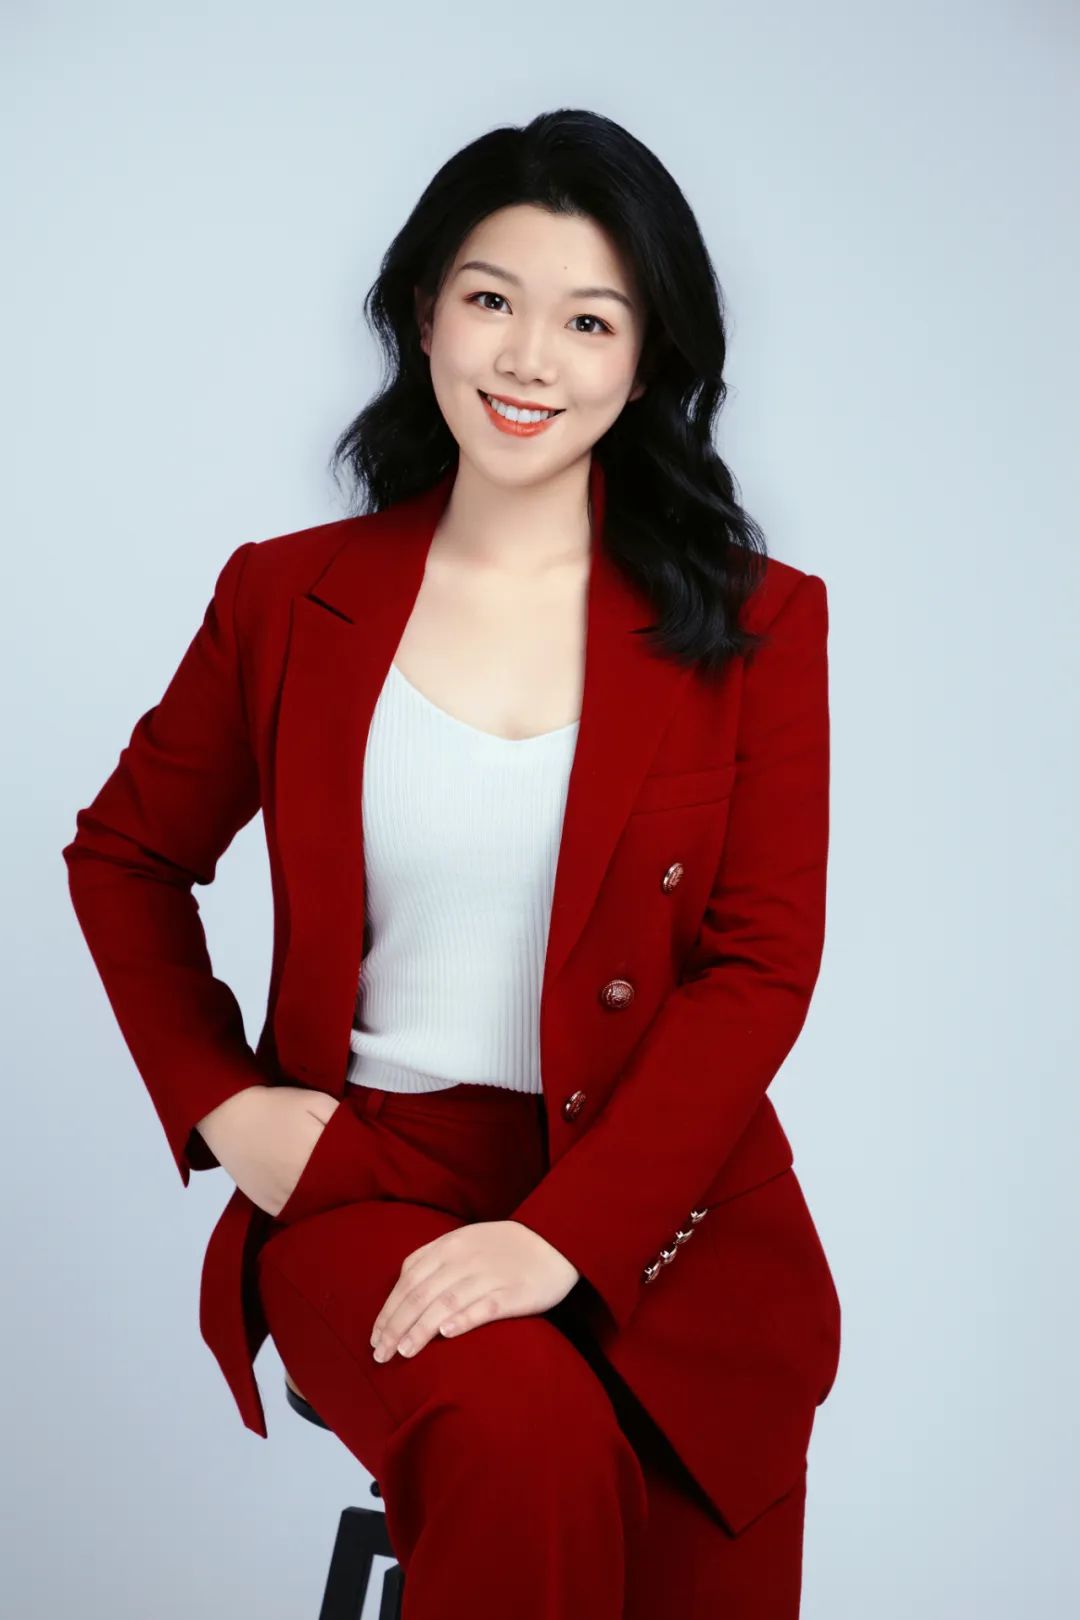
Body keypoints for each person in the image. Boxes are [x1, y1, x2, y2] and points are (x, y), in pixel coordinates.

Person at [62, 107, 839, 1619]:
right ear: (425, 313)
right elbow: (127, 854)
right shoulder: (289, 599)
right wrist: (222, 1103)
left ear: (646, 360)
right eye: (491, 299)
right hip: (375, 1178)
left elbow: (760, 967)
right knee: (523, 1443)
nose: (529, 359)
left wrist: (566, 1239)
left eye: (589, 319)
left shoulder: (759, 624)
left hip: (675, 1215)